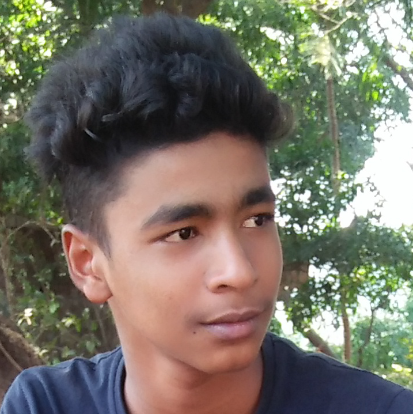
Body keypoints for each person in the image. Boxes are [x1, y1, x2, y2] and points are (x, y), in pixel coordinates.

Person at [1, 12, 412, 414]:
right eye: (184, 232)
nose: (240, 272)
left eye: (257, 219)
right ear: (87, 263)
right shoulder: (44, 405)